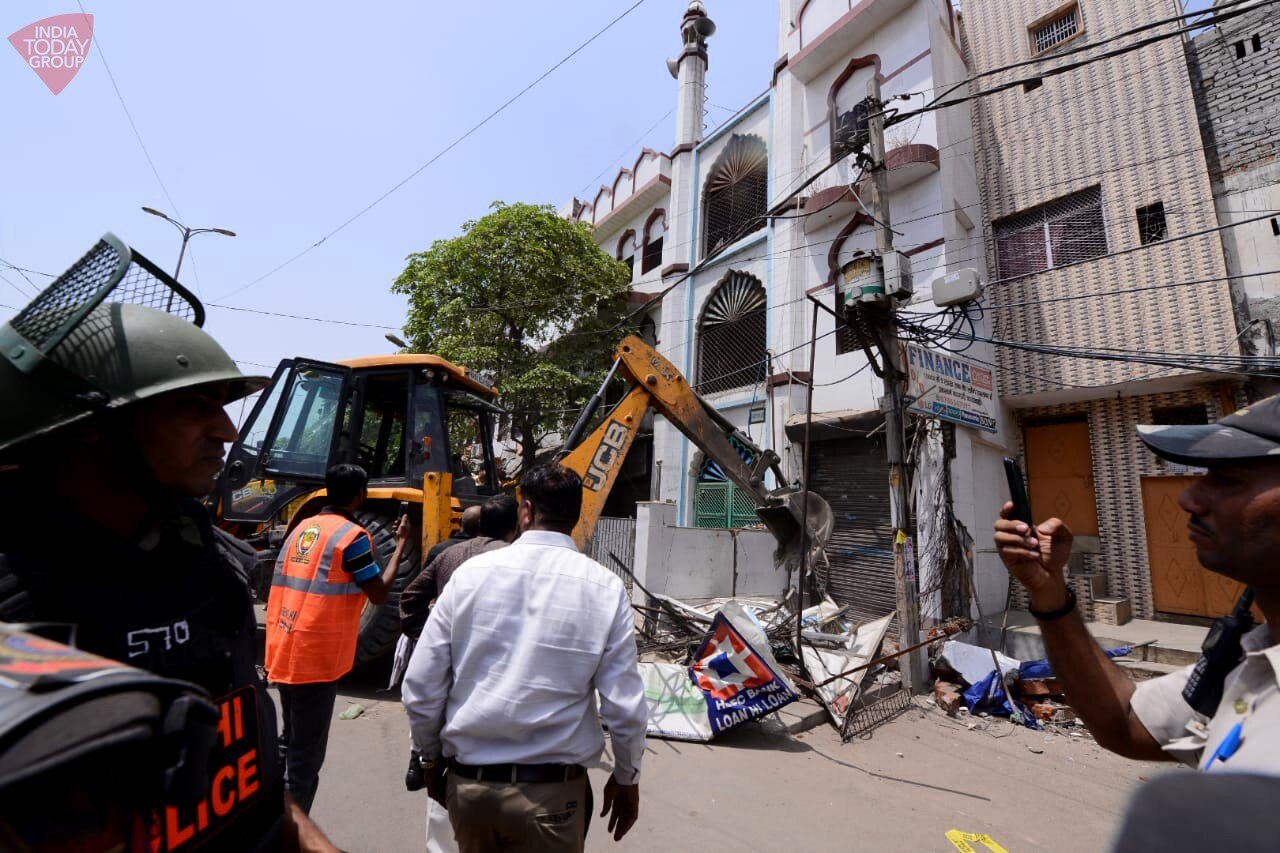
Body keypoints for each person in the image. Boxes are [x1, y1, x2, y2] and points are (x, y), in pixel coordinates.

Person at [0, 236, 333, 850]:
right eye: (193, 404)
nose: (228, 430)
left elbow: (255, 791)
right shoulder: (16, 611)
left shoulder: (210, 570)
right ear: (94, 427)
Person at [994, 392, 1280, 773]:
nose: (1188, 496)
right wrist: (1049, 592)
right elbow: (1126, 722)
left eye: (1229, 479)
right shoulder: (1249, 663)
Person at [402, 464, 647, 852]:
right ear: (575, 514)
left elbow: (421, 686)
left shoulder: (469, 576)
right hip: (552, 799)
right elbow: (625, 704)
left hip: (471, 790)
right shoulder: (605, 587)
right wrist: (627, 775)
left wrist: (429, 760)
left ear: (526, 510)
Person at [264, 463, 407, 813]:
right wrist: (402, 545)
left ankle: (270, 817)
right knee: (305, 758)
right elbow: (378, 593)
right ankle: (293, 833)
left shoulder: (302, 528)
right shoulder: (352, 537)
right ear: (361, 494)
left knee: (289, 741)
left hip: (283, 648)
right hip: (317, 657)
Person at [399, 493, 520, 791]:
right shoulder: (516, 559)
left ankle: (423, 759)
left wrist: (426, 634)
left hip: (448, 648)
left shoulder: (447, 554)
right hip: (493, 659)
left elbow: (410, 598)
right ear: (515, 526)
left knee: (431, 701)